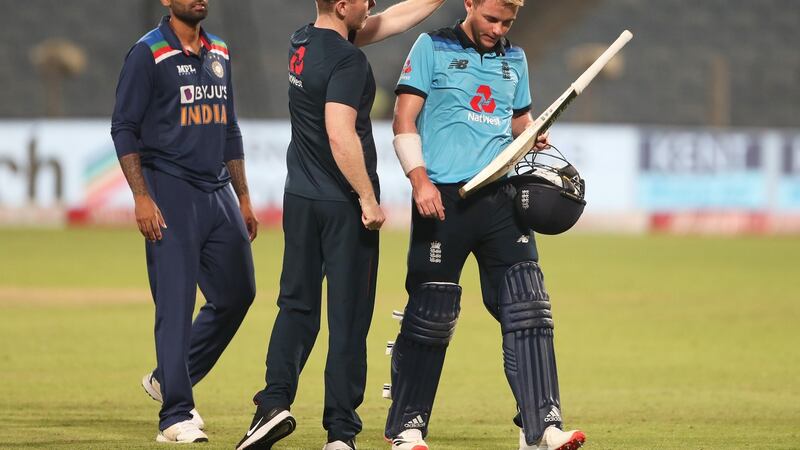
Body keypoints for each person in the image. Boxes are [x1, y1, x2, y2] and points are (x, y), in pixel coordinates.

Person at [234, 1, 447, 449]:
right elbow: (339, 131)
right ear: (343, 5)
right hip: (344, 207)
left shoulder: (304, 40)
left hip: (301, 198)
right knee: (348, 319)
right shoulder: (349, 59)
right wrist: (367, 198)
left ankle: (273, 404)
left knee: (295, 307)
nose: (372, 5)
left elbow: (391, 21)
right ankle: (340, 433)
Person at [383, 0, 586, 449]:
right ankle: (407, 426)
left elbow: (518, 122)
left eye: (507, 22)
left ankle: (542, 427)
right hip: (443, 199)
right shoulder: (431, 46)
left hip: (501, 199)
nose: (498, 29)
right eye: (491, 19)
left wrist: (533, 133)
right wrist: (419, 181)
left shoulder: (515, 59)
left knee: (529, 306)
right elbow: (403, 120)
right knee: (430, 315)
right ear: (469, 4)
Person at [111, 0, 258, 444]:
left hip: (217, 192)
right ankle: (175, 415)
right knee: (175, 306)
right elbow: (123, 127)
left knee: (238, 294)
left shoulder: (220, 52)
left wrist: (244, 196)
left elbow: (229, 127)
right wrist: (141, 197)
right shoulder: (148, 53)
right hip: (169, 189)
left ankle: (167, 378)